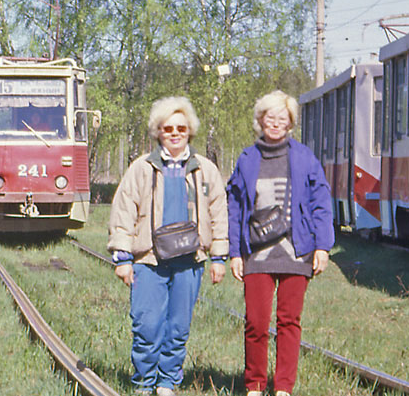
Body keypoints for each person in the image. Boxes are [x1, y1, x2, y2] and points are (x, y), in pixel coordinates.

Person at [108, 96, 229, 396]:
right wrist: (123, 257)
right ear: (158, 132)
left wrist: (219, 257)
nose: (175, 133)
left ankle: (167, 382)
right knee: (147, 326)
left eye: (181, 128)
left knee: (178, 328)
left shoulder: (206, 170)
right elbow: (124, 210)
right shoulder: (142, 169)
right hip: (149, 261)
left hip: (190, 261)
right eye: (168, 128)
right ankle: (144, 382)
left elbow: (219, 212)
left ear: (190, 131)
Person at [228, 90, 334, 396]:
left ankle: (284, 388)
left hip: (297, 251)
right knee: (256, 322)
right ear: (260, 121)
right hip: (256, 254)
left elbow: (321, 203)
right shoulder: (247, 159)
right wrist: (235, 252)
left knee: (289, 321)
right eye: (270, 117)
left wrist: (323, 247)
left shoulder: (304, 158)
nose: (275, 123)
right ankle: (255, 386)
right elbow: (235, 207)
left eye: (282, 118)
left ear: (291, 124)